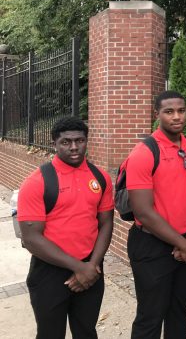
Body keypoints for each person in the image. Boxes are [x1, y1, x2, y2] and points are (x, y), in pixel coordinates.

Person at [18, 116, 114, 339]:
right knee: (50, 334)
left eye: (79, 140)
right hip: (50, 271)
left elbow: (106, 222)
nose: (74, 147)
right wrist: (79, 269)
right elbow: (31, 238)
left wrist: (92, 265)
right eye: (66, 142)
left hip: (91, 266)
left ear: (86, 141)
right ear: (54, 144)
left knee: (87, 332)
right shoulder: (38, 181)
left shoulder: (100, 178)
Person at [125, 90, 186, 339]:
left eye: (181, 111)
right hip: (151, 245)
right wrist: (181, 243)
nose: (176, 116)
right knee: (150, 316)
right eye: (169, 111)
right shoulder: (144, 152)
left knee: (179, 312)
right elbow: (143, 211)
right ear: (157, 114)